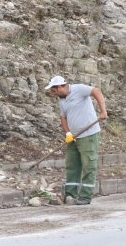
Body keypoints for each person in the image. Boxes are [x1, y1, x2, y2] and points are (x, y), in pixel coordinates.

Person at [44, 76, 108, 205]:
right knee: (72, 165)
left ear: (60, 87)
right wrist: (68, 133)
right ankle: (70, 194)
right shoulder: (62, 100)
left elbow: (96, 91)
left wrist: (103, 111)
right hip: (73, 137)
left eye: (54, 90)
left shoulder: (79, 89)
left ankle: (85, 196)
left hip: (88, 135)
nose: (53, 93)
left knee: (88, 165)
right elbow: (63, 117)